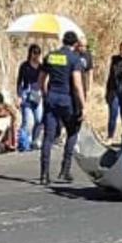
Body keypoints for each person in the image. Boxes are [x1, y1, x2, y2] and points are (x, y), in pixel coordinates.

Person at [39, 31, 87, 185]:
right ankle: (64, 170)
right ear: (75, 44)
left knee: (48, 136)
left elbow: (41, 80)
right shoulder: (75, 59)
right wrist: (84, 106)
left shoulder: (51, 56)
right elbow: (77, 84)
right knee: (72, 132)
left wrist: (46, 94)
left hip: (52, 98)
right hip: (67, 100)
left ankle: (44, 174)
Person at [16, 44, 44, 152]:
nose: (36, 55)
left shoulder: (42, 67)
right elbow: (19, 82)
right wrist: (18, 95)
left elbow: (45, 81)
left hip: (38, 94)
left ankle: (34, 140)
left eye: (38, 53)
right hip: (26, 94)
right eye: (34, 52)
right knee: (28, 120)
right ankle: (24, 142)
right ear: (30, 53)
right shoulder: (24, 66)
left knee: (39, 119)